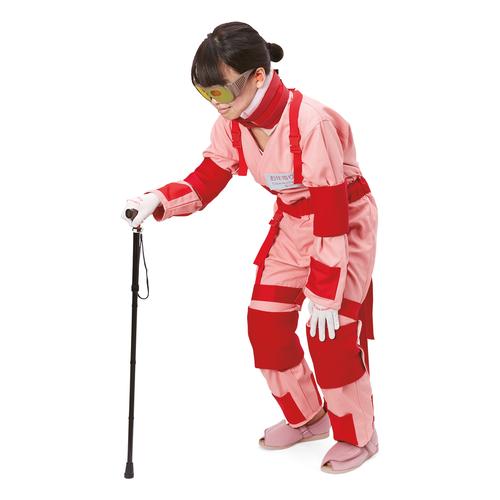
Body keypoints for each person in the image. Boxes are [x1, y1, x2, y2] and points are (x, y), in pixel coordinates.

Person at [121, 21, 379, 474]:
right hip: (294, 223)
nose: (216, 103)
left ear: (258, 76)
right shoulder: (232, 124)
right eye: (206, 93)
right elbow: (208, 177)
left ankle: (358, 435)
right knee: (266, 326)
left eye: (221, 90)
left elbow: (331, 211)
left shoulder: (311, 122)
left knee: (332, 335)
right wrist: (159, 200)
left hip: (344, 223)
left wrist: (325, 290)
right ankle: (308, 417)